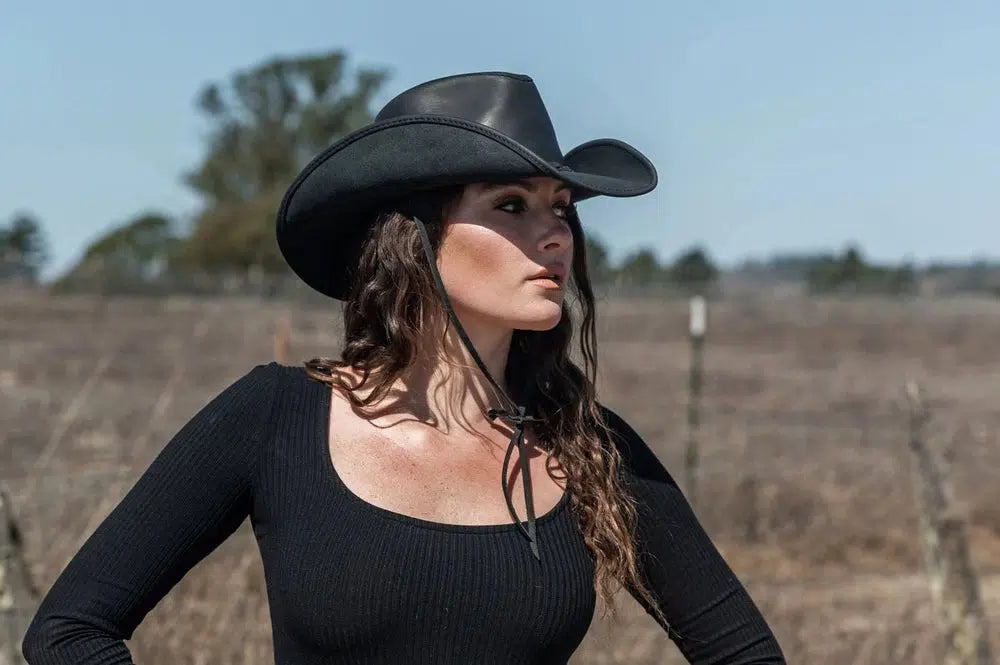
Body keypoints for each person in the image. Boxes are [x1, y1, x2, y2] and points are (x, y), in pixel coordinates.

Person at [21, 71, 785, 664]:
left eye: (562, 206)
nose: (556, 234)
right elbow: (70, 630)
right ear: (413, 239)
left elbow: (745, 653)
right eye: (512, 204)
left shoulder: (588, 446)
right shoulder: (274, 418)